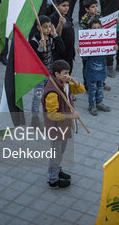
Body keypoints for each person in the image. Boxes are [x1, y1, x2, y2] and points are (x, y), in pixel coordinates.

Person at [43, 60, 84, 188]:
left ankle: (57, 170)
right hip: (56, 127)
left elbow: (80, 90)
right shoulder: (52, 92)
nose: (68, 75)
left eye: (68, 73)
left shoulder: (64, 83)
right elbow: (51, 115)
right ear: (57, 74)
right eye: (65, 73)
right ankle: (53, 179)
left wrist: (75, 82)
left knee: (61, 150)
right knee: (56, 153)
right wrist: (71, 115)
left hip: (64, 124)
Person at [30, 15, 65, 127]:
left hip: (50, 73)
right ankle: (34, 120)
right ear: (38, 28)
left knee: (48, 96)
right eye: (45, 27)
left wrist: (55, 34)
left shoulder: (51, 37)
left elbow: (61, 49)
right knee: (38, 97)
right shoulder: (34, 41)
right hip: (39, 75)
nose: (48, 29)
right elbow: (33, 58)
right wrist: (40, 48)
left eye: (50, 27)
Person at [82, 18, 114, 115]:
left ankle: (99, 103)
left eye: (98, 27)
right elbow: (84, 57)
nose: (96, 30)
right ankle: (92, 105)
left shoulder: (104, 40)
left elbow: (110, 54)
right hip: (91, 73)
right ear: (89, 30)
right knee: (92, 90)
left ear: (102, 28)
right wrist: (82, 51)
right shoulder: (87, 42)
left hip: (101, 72)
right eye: (94, 28)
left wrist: (114, 48)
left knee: (100, 89)